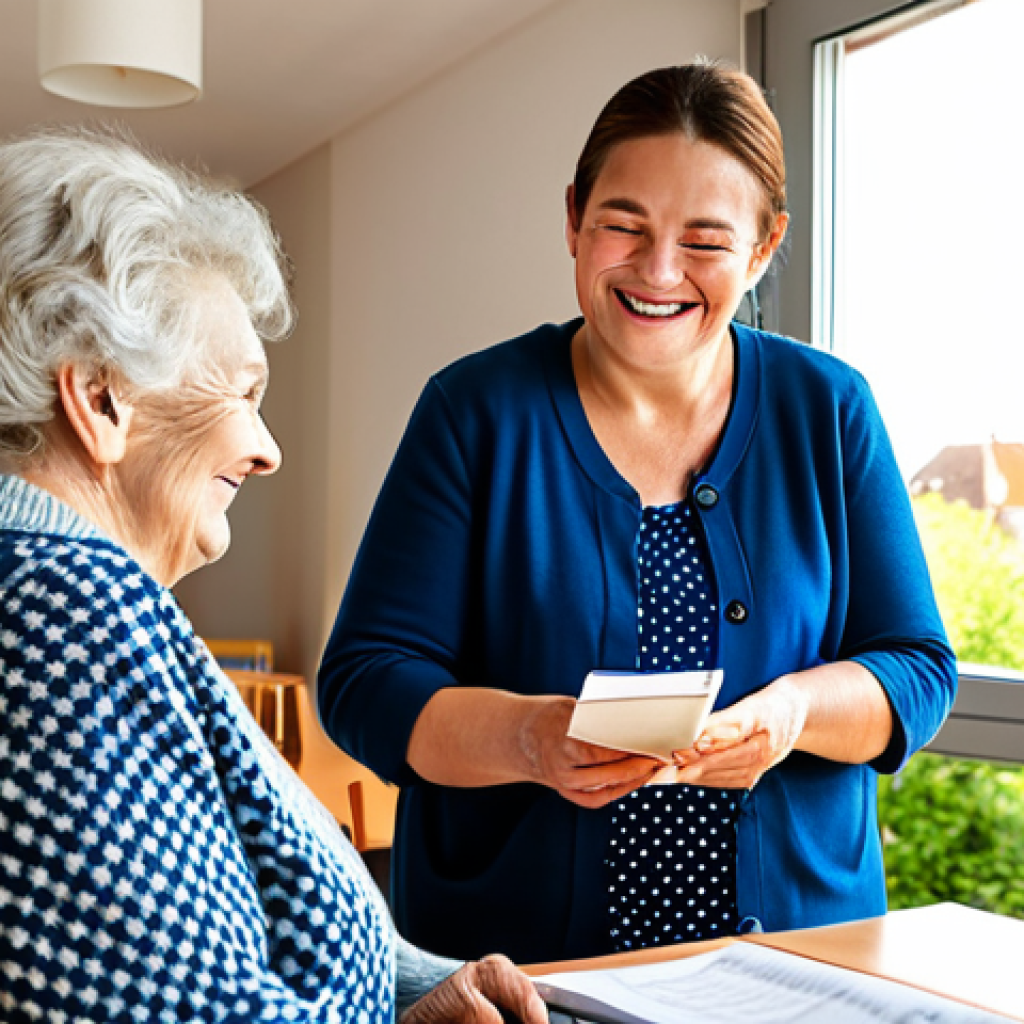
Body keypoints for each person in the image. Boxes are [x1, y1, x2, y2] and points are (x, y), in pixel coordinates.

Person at [317, 60, 958, 965]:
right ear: (575, 217)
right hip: (522, 976)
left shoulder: (831, 409)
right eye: (624, 225)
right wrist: (532, 740)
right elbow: (365, 683)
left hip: (797, 967)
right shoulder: (472, 413)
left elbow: (917, 671)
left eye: (704, 240)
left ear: (764, 247)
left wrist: (790, 718)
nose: (658, 271)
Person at [0, 126, 547, 1024]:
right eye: (244, 396)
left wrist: (412, 990)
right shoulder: (66, 613)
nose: (268, 452)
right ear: (101, 402)